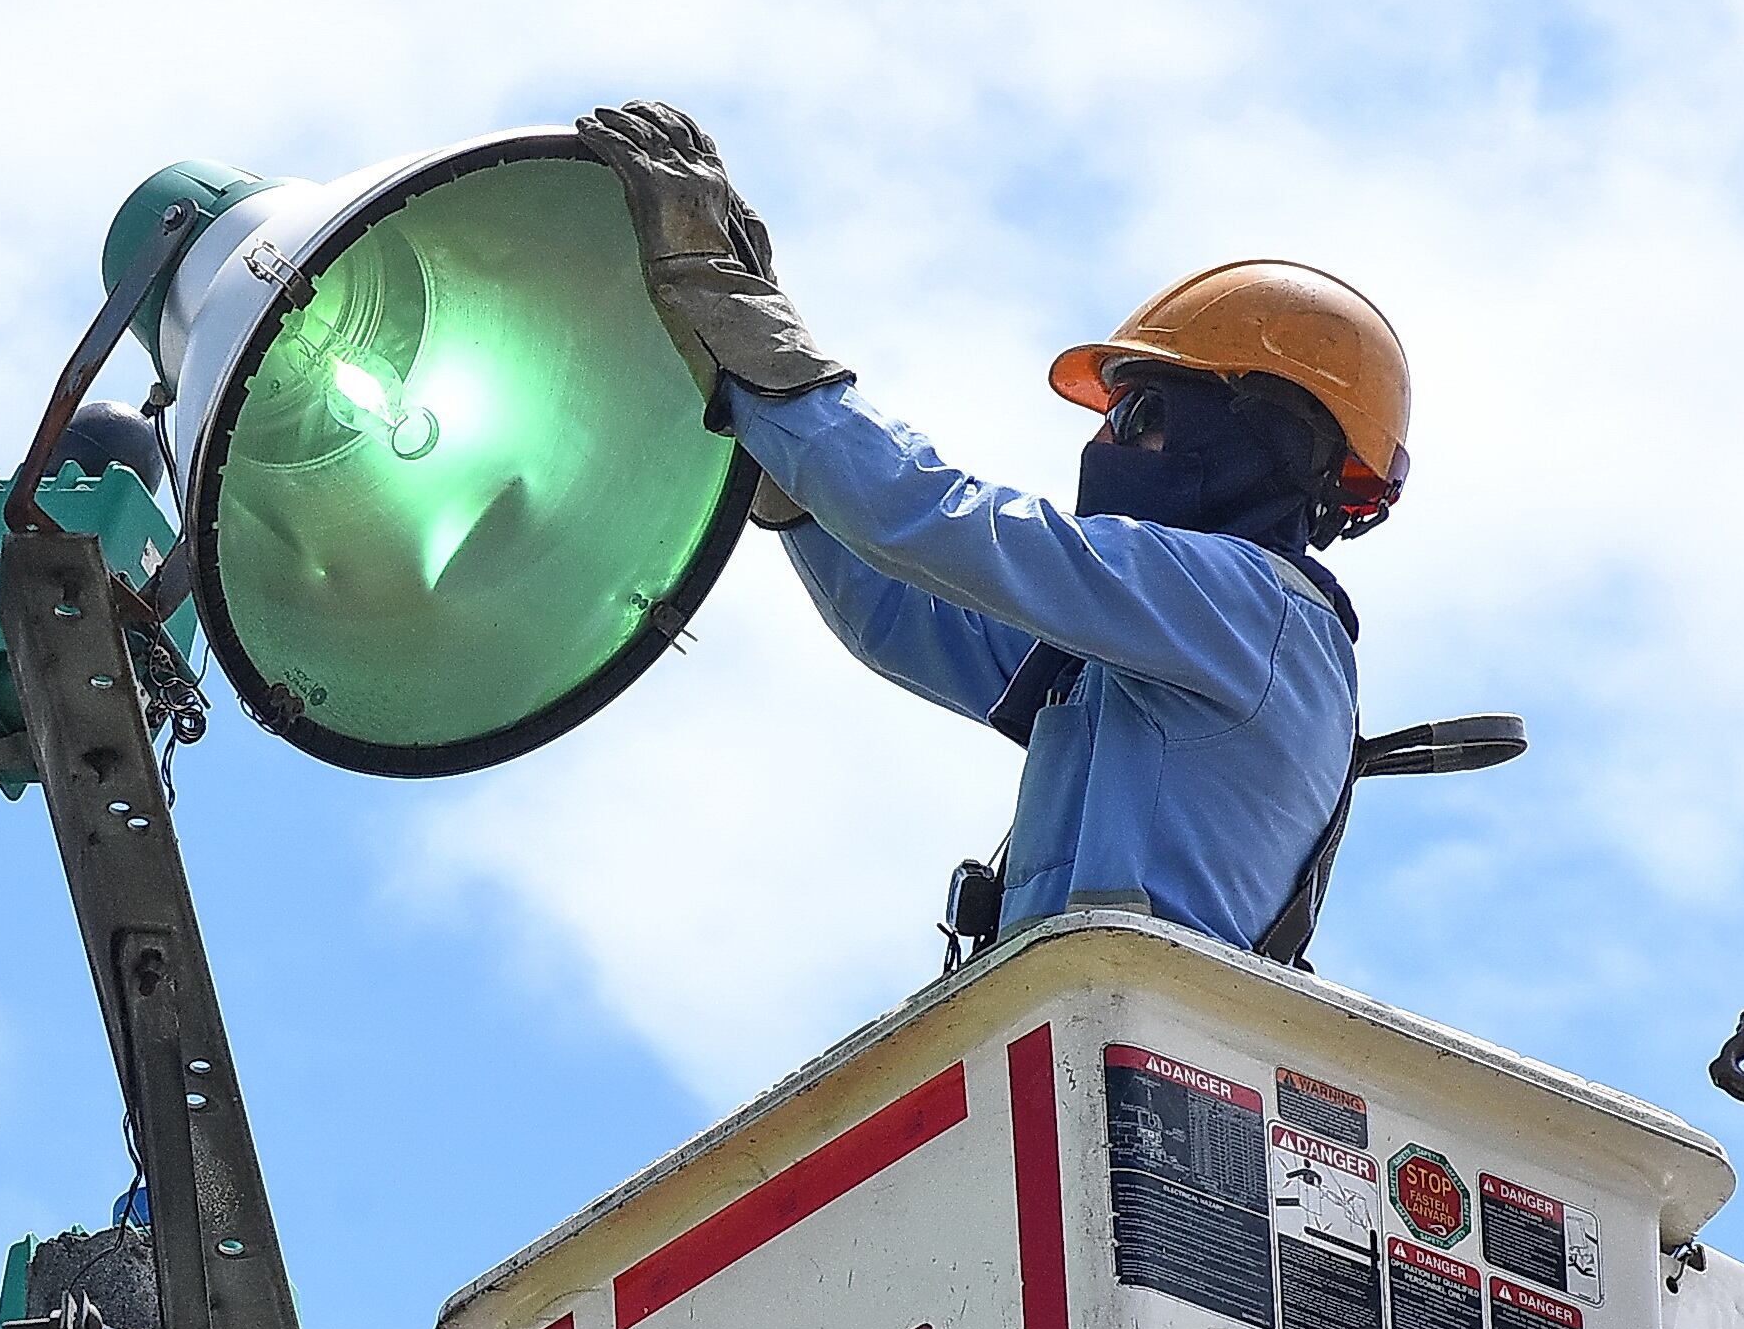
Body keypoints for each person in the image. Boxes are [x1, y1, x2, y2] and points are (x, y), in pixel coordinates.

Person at [579, 101, 1415, 963]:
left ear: (1254, 444)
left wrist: (732, 311)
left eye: (1138, 415)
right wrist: (780, 448)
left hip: (1128, 1025)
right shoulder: (1153, 646)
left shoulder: (1252, 614)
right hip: (1085, 1025)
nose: (1103, 448)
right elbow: (902, 612)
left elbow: (933, 520)